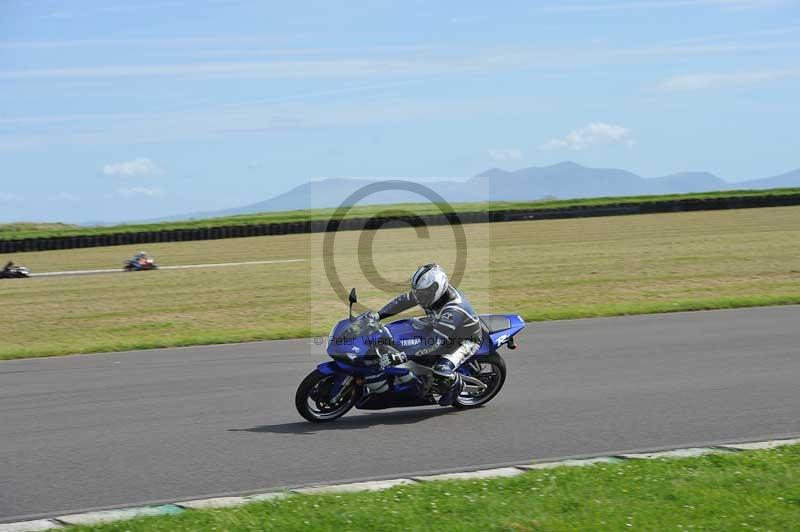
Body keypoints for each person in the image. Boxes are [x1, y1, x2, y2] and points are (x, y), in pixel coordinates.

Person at [375, 263, 483, 406]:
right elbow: (403, 301)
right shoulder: (428, 293)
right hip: (440, 328)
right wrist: (378, 315)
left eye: (422, 293)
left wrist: (400, 356)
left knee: (441, 370)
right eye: (417, 292)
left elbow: (433, 343)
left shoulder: (453, 311)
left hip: (464, 340)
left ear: (436, 289)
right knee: (399, 334)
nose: (418, 297)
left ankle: (456, 385)